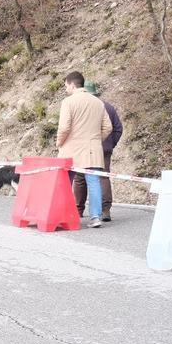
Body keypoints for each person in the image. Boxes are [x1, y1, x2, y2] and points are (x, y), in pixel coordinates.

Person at [56, 71, 112, 228]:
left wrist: (59, 142)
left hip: (70, 150)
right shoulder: (98, 102)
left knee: (65, 182)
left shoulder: (68, 102)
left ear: (72, 85)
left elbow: (64, 127)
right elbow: (108, 127)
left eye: (66, 86)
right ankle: (95, 217)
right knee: (93, 182)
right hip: (92, 150)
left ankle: (63, 215)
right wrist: (96, 140)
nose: (66, 89)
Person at [74, 82, 123, 221]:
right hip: (104, 149)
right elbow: (118, 128)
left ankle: (78, 210)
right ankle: (105, 210)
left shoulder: (82, 107)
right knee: (103, 177)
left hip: (84, 148)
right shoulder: (108, 107)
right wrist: (110, 144)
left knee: (80, 178)